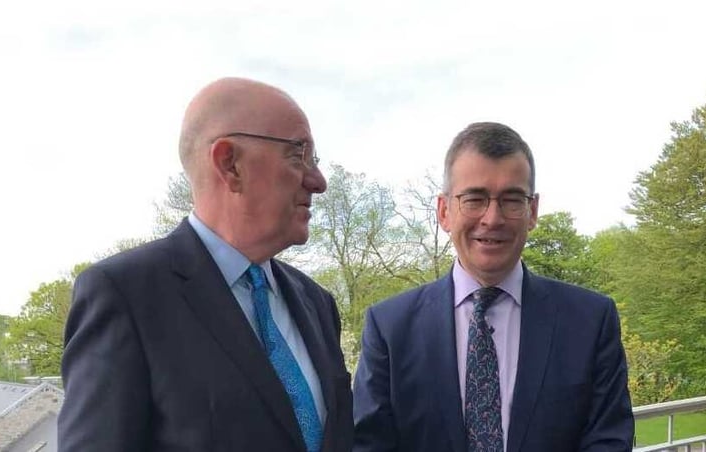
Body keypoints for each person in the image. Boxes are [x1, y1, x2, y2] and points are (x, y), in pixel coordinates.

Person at [58, 77, 353, 452]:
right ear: (229, 163)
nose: (318, 180)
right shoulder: (126, 296)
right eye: (298, 154)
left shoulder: (317, 304)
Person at [352, 122, 634, 451]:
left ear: (532, 211)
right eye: (474, 199)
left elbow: (608, 442)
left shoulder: (590, 321)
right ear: (444, 211)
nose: (492, 218)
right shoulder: (390, 329)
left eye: (512, 200)